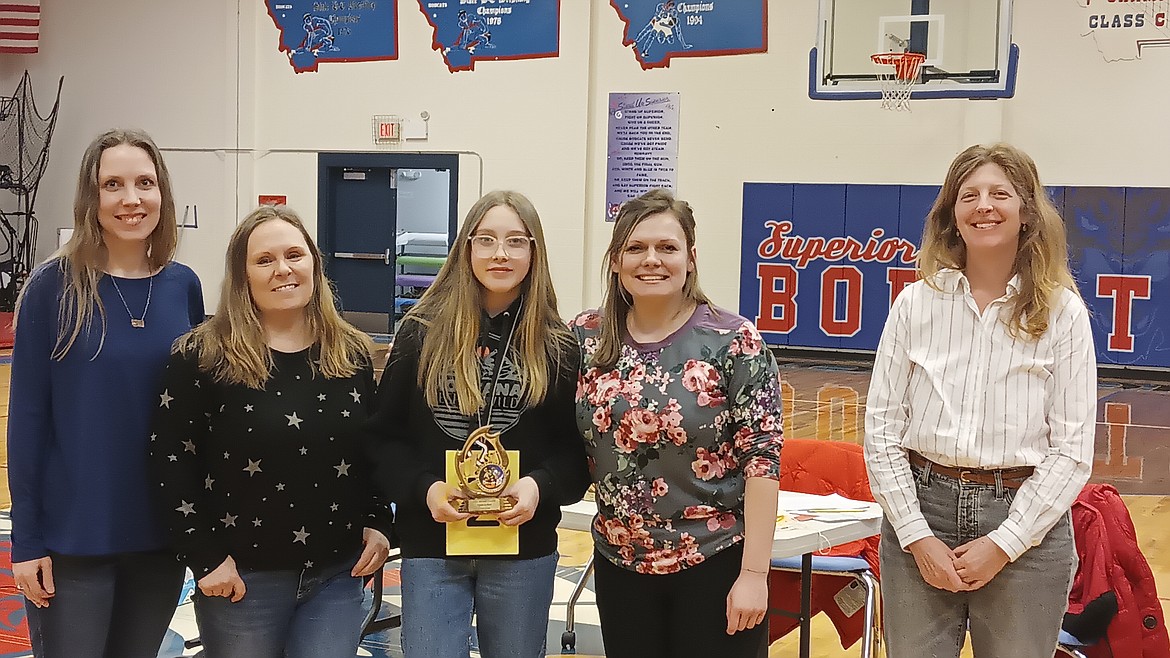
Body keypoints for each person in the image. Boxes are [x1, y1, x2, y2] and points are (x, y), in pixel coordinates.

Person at [864, 143, 1096, 658]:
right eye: (968, 195)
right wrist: (915, 535)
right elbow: (880, 430)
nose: (983, 206)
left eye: (1000, 194)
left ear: (1027, 211)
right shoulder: (916, 302)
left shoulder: (1063, 313)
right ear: (951, 212)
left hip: (1025, 522)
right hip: (922, 510)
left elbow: (1073, 450)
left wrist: (1004, 543)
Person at [149, 205, 392, 657]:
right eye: (264, 260)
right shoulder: (201, 359)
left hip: (337, 577)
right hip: (241, 580)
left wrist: (380, 521)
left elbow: (374, 450)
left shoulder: (353, 353)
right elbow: (171, 462)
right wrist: (204, 559)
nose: (283, 269)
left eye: (294, 255)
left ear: (314, 264)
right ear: (242, 276)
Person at [7, 128, 204, 657]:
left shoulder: (183, 286)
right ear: (91, 199)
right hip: (73, 538)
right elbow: (27, 419)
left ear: (162, 193)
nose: (131, 198)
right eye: (112, 184)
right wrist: (26, 543)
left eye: (144, 182)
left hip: (159, 536)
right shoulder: (53, 287)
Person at [369, 190, 590, 658]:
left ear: (535, 251)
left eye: (516, 241)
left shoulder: (557, 345)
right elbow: (383, 438)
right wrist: (425, 488)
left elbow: (574, 452)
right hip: (432, 542)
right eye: (486, 240)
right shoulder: (420, 331)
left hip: (521, 547)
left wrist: (539, 486)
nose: (500, 254)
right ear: (466, 249)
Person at [570, 188, 783, 658]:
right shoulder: (585, 337)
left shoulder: (734, 341)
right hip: (619, 564)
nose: (652, 260)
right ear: (615, 261)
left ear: (691, 258)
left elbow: (762, 463)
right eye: (636, 248)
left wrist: (754, 575)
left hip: (715, 561)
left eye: (667, 248)